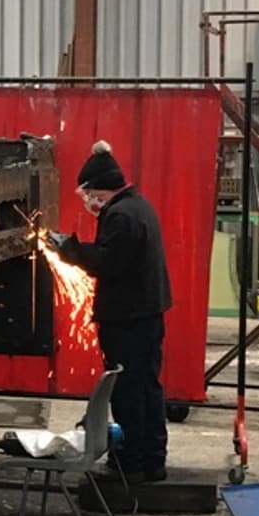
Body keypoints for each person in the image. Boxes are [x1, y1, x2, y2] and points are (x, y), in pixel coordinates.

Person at [48, 140, 172, 485]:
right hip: (146, 312)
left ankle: (131, 463)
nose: (88, 201)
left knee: (128, 390)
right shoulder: (138, 205)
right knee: (147, 386)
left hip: (128, 318)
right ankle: (152, 460)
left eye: (88, 194)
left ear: (100, 190)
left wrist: (69, 250)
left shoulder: (120, 215)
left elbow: (106, 262)